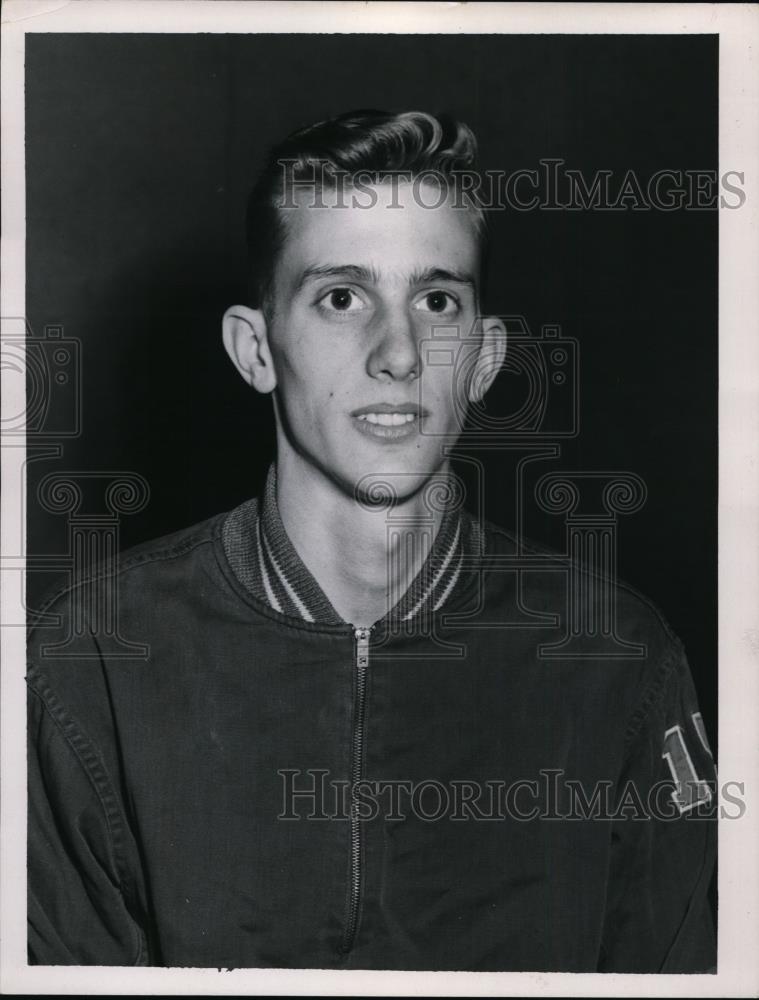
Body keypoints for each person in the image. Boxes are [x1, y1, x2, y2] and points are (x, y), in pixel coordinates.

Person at [26, 109, 717, 971]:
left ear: (484, 355)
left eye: (435, 301)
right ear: (256, 349)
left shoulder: (620, 661)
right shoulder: (90, 656)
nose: (398, 354)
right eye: (341, 297)